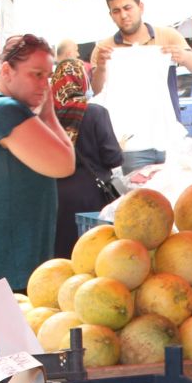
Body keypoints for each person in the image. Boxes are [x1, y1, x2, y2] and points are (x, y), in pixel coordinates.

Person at [0, 33, 74, 291]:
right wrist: (49, 115)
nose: (45, 85)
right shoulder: (2, 112)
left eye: (48, 76)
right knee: (4, 334)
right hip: (2, 269)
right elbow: (64, 163)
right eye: (36, 74)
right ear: (7, 70)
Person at [92, 0, 192, 172]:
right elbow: (96, 90)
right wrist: (102, 67)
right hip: (131, 143)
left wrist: (182, 56)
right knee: (139, 197)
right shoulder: (105, 48)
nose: (124, 15)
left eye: (128, 7)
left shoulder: (167, 35)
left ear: (140, 7)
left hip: (168, 134)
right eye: (116, 11)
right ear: (111, 15)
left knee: (172, 193)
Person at [51, 57, 123, 258]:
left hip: (53, 197)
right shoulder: (95, 112)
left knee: (61, 258)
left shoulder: (45, 115)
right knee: (90, 256)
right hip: (91, 198)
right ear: (83, 81)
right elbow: (112, 158)